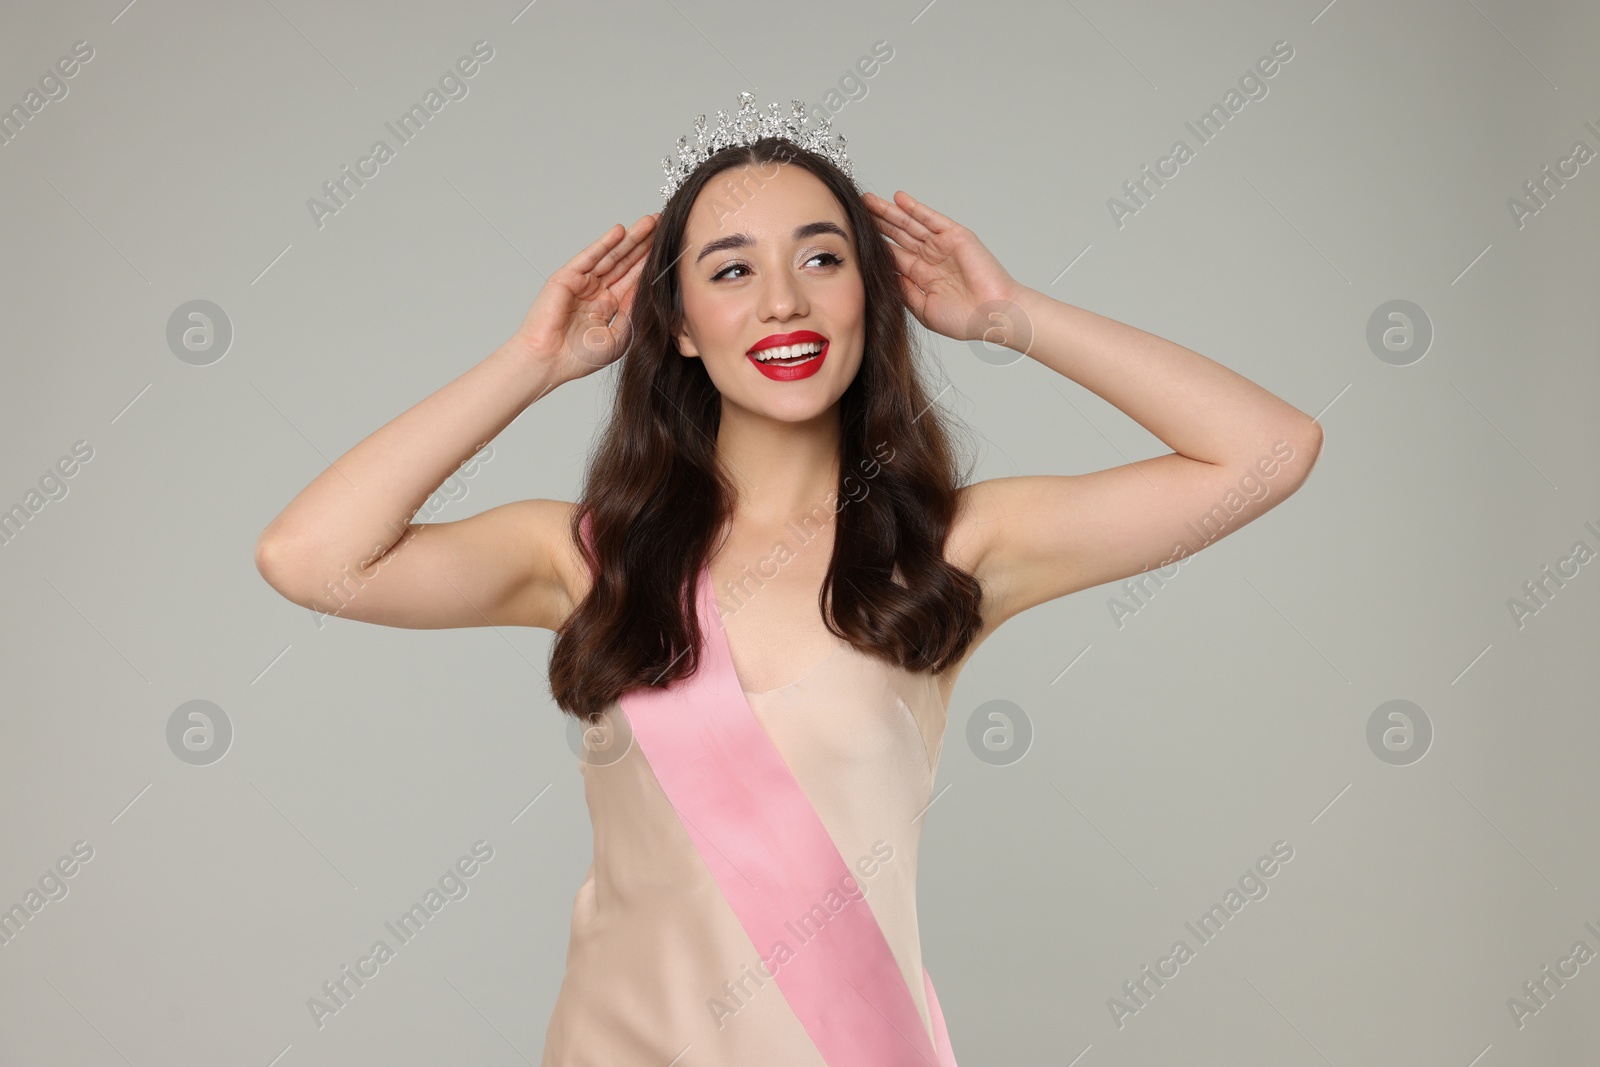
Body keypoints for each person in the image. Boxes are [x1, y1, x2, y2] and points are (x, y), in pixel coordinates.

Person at [254, 96, 1322, 1065]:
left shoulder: (954, 546)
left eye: (821, 260)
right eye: (729, 270)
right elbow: (309, 557)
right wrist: (529, 362)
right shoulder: (584, 558)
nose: (781, 303)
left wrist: (1014, 318)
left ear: (874, 289)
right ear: (674, 322)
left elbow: (1268, 449)